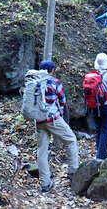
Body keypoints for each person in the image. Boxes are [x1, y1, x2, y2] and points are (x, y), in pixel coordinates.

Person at [35, 60, 79, 193]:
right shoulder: (55, 82)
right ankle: (73, 172)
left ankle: (45, 184)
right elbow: (62, 101)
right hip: (53, 119)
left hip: (39, 120)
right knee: (71, 140)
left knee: (42, 150)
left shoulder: (34, 82)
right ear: (52, 70)